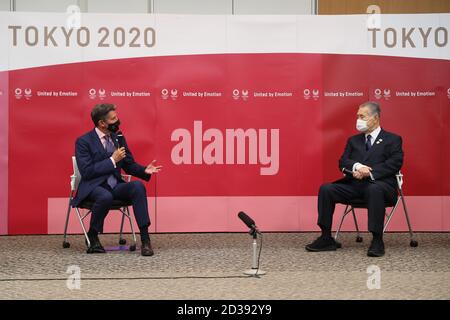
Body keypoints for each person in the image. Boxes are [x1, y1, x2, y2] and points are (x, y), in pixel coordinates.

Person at [305, 101, 403, 257]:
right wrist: (357, 167)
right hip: (354, 186)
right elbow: (343, 161)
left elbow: (394, 163)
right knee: (326, 189)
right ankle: (326, 237)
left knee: (374, 189)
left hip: (381, 187)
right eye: (357, 116)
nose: (358, 120)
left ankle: (377, 240)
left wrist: (369, 173)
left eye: (362, 116)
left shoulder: (393, 139)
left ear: (375, 118)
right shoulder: (353, 140)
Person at [72, 103, 162, 256]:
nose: (118, 121)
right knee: (104, 196)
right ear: (102, 123)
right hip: (94, 187)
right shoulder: (84, 142)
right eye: (114, 119)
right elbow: (87, 172)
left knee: (137, 187)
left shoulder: (118, 137)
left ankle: (145, 240)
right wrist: (112, 161)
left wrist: (144, 170)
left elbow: (128, 164)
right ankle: (93, 235)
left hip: (115, 185)